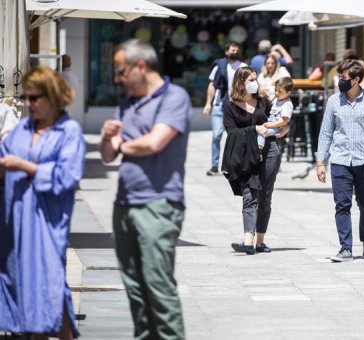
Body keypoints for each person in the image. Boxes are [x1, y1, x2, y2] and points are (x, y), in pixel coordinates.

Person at [100, 39, 192, 339]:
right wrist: (106, 138)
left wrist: (124, 143)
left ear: (141, 66)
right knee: (135, 291)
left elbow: (154, 142)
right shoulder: (127, 102)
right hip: (124, 204)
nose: (117, 77)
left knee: (158, 287)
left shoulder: (174, 97)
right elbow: (108, 154)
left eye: (121, 70)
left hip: (159, 204)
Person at [0, 66, 84, 339]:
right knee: (24, 289)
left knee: (49, 286)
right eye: (26, 97)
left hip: (47, 222)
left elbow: (68, 175)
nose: (28, 103)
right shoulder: (21, 129)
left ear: (53, 97)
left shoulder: (68, 131)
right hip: (16, 223)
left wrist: (26, 167)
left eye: (35, 98)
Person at [316, 59, 364, 262]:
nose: (340, 80)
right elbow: (326, 132)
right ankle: (345, 248)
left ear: (356, 80)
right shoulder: (333, 101)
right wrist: (321, 161)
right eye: (339, 76)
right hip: (340, 160)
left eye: (343, 77)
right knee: (342, 204)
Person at [223, 67, 287, 255]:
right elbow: (231, 133)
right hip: (245, 157)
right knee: (249, 195)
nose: (254, 82)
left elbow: (279, 122)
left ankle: (260, 241)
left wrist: (282, 129)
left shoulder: (263, 102)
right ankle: (248, 240)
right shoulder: (230, 106)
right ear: (240, 82)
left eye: (255, 79)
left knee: (265, 197)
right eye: (250, 79)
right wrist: (255, 130)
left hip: (269, 152)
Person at [203, 41, 247, 176]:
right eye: (232, 50)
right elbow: (212, 85)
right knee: (216, 135)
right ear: (226, 52)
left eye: (236, 50)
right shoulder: (219, 66)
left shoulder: (244, 67)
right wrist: (208, 103)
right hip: (219, 104)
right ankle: (214, 165)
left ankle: (234, 165)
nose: (235, 52)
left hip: (237, 107)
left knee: (234, 137)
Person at [257, 77, 294, 149]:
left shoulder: (287, 104)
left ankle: (259, 147)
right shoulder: (276, 100)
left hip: (277, 128)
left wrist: (270, 125)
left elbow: (284, 120)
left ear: (288, 92)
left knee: (263, 131)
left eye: (280, 91)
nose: (276, 93)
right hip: (270, 124)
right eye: (275, 90)